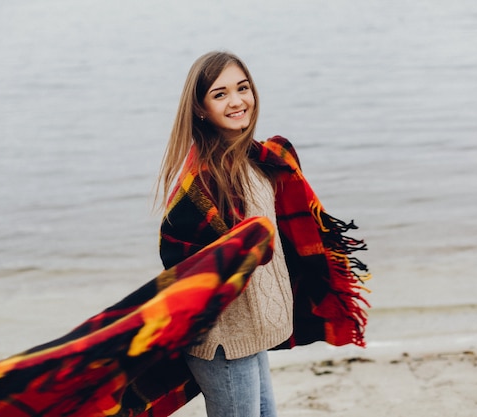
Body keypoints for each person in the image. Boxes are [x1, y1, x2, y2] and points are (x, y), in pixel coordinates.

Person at [156, 51, 370, 417]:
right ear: (200, 109)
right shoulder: (205, 181)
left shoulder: (259, 161)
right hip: (222, 341)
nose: (237, 101)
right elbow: (180, 261)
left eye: (242, 88)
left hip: (250, 333)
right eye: (220, 94)